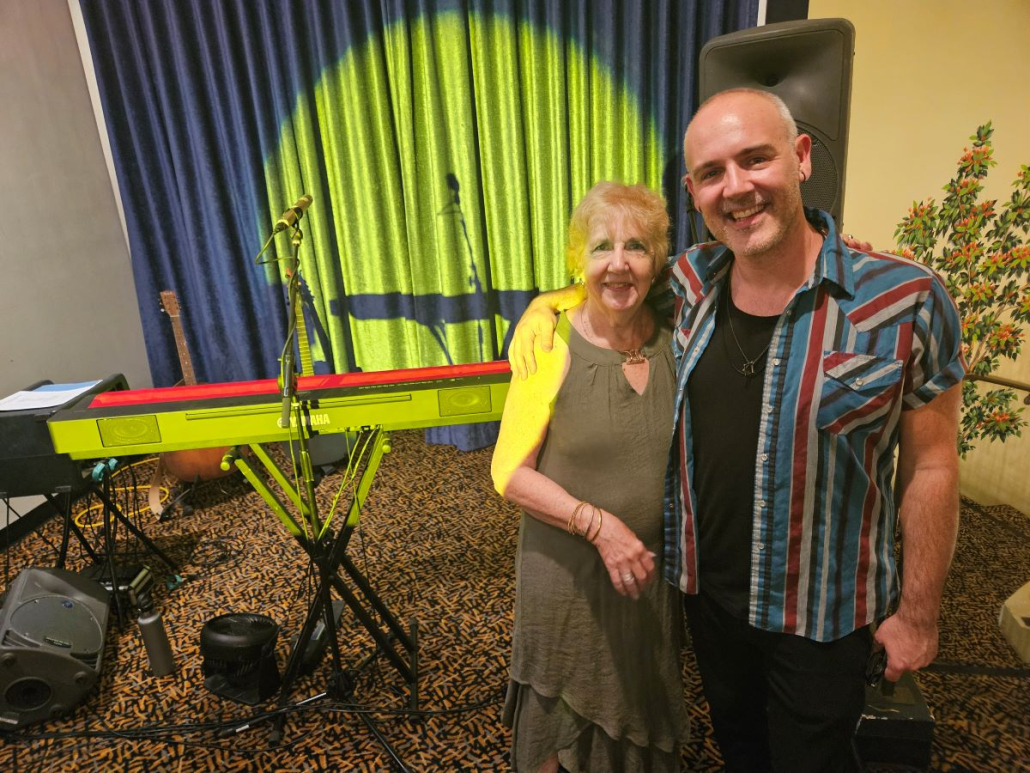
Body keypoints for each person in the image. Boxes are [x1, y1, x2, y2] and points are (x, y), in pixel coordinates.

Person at [508, 88, 965, 772]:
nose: (738, 187)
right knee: (742, 754)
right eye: (715, 173)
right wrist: (545, 304)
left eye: (756, 160)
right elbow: (608, 282)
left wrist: (920, 613)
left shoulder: (905, 300)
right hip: (710, 606)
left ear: (801, 158)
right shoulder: (688, 282)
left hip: (823, 614)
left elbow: (933, 466)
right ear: (694, 193)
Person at [491, 181, 690, 773]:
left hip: (648, 575)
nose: (620, 263)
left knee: (639, 706)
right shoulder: (549, 343)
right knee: (561, 724)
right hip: (568, 577)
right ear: (578, 259)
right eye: (602, 246)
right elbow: (508, 473)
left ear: (658, 261)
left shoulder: (676, 334)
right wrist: (597, 525)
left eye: (636, 246)